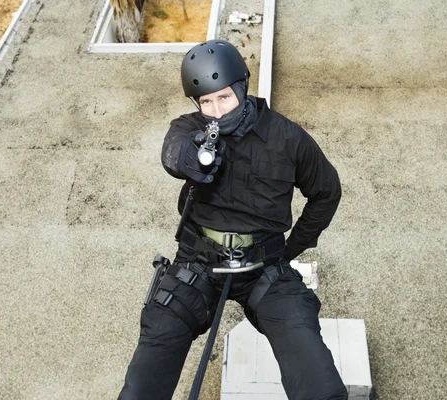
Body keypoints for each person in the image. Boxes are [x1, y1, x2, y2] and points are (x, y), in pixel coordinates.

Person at [118, 39, 347, 400]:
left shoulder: (288, 137)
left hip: (265, 268)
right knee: (147, 369)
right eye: (206, 102)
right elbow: (173, 150)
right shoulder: (190, 127)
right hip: (198, 264)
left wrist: (293, 247)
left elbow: (326, 192)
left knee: (319, 381)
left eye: (224, 97)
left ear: (242, 86)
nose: (217, 111)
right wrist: (189, 157)